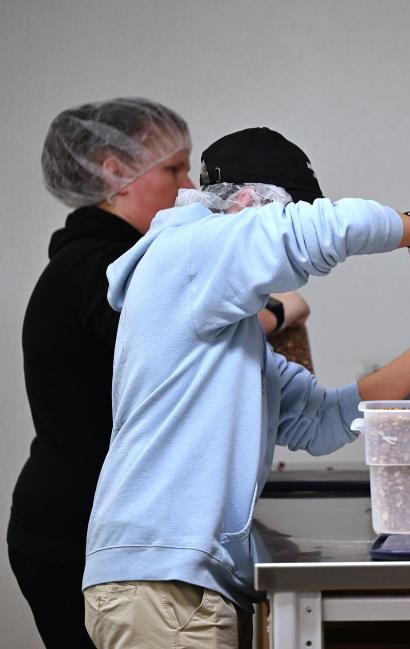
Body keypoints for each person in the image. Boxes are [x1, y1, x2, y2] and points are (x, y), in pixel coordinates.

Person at [81, 127, 410, 649]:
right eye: (281, 220)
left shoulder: (224, 330)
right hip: (164, 586)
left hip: (173, 585)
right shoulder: (190, 249)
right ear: (249, 204)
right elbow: (321, 230)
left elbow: (321, 419)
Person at [8, 101, 310, 649]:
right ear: (112, 172)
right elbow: (170, 330)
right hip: (76, 533)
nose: (187, 186)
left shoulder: (116, 256)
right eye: (173, 170)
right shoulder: (102, 266)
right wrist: (279, 311)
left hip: (89, 529)